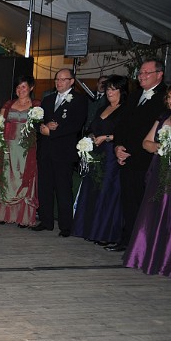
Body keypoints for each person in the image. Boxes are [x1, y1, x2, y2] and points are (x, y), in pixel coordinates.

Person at [124, 79, 171, 279]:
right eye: (169, 96)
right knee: (155, 209)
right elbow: (146, 142)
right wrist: (160, 148)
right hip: (159, 169)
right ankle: (150, 255)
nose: (170, 100)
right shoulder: (164, 116)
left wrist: (162, 148)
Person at [109, 60, 167, 253]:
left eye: (146, 73)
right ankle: (128, 240)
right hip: (126, 158)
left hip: (146, 159)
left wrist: (130, 150)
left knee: (145, 203)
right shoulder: (134, 96)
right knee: (128, 201)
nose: (141, 76)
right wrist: (118, 147)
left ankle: (143, 244)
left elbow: (154, 132)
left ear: (159, 74)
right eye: (140, 73)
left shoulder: (165, 98)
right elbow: (121, 124)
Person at [72, 75, 126, 244]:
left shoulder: (125, 109)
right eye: (108, 89)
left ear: (121, 91)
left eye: (113, 89)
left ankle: (104, 233)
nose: (110, 92)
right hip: (96, 153)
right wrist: (90, 138)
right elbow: (91, 127)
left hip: (111, 154)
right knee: (92, 189)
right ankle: (89, 229)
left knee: (106, 190)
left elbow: (127, 133)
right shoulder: (103, 107)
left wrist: (107, 137)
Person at [33, 68, 88, 237]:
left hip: (63, 151)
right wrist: (42, 127)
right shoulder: (48, 99)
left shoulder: (79, 100)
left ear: (71, 81)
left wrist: (53, 132)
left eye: (63, 79)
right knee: (45, 187)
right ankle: (46, 221)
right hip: (46, 150)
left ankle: (66, 226)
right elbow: (37, 119)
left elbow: (76, 125)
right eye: (57, 79)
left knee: (63, 188)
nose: (59, 82)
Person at [0, 75, 40, 226]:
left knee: (23, 177)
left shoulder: (36, 105)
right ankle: (2, 214)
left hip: (25, 149)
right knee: (6, 176)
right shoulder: (9, 104)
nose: (20, 90)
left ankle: (22, 217)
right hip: (8, 148)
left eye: (24, 86)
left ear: (31, 88)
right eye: (18, 87)